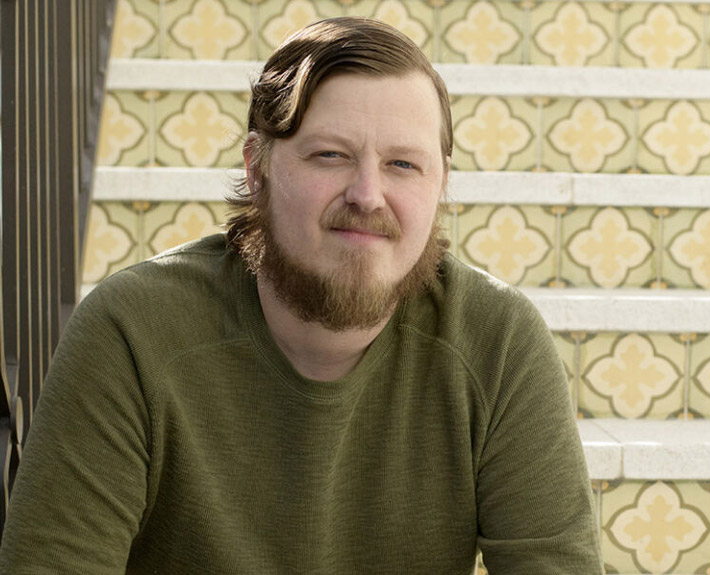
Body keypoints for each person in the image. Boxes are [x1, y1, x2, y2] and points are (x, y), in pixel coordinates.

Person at [0, 17, 603, 575]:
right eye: (330, 155)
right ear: (257, 167)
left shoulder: (497, 342)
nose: (368, 194)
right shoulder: (132, 330)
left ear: (440, 185)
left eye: (402, 164)